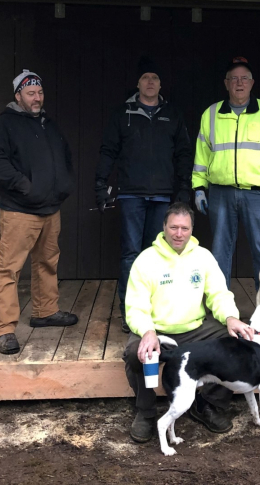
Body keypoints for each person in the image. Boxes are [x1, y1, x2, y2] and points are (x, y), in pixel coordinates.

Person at [123, 202, 255, 443]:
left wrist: (230, 317)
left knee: (234, 342)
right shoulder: (146, 260)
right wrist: (147, 331)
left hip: (194, 331)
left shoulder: (203, 257)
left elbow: (218, 294)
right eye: (173, 227)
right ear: (163, 227)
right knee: (134, 352)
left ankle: (207, 404)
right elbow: (135, 306)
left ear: (192, 229)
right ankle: (146, 412)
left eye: (184, 228)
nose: (178, 233)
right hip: (157, 331)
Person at [95, 56, 192, 333]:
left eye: (155, 78)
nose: (150, 82)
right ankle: (130, 312)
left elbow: (183, 153)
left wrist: (184, 187)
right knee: (130, 255)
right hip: (131, 195)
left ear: (161, 84)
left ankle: (155, 309)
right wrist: (100, 184)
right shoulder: (122, 113)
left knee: (158, 254)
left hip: (163, 195)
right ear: (138, 83)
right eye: (146, 77)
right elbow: (108, 151)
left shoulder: (172, 113)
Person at [0, 69, 79, 356]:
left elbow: (64, 157)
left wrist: (63, 184)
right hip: (19, 211)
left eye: (39, 92)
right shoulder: (6, 125)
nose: (36, 97)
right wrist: (25, 186)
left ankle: (45, 311)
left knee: (47, 262)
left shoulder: (47, 124)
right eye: (30, 93)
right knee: (9, 269)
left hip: (51, 209)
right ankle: (4, 330)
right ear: (18, 96)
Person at [192, 57, 260, 287]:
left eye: (244, 78)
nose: (239, 83)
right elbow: (201, 156)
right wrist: (198, 188)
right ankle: (220, 306)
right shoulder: (211, 114)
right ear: (226, 83)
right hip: (220, 192)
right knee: (219, 251)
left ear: (252, 82)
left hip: (259, 193)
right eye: (234, 78)